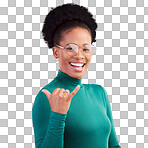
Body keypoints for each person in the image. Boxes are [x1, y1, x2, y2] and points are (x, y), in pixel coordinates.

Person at [32, 3, 121, 148]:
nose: (79, 56)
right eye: (70, 48)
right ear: (56, 52)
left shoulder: (99, 93)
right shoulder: (48, 95)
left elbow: (113, 145)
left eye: (86, 49)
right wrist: (58, 114)